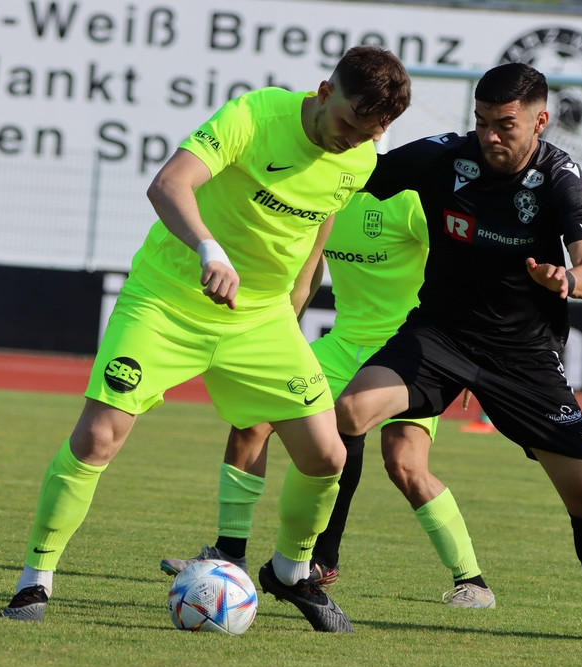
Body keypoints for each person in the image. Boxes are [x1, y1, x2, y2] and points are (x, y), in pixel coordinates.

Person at [0, 46, 412, 634]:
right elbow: (168, 184)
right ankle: (35, 578)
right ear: (325, 92)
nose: (352, 142)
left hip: (261, 319)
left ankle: (292, 571)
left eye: (369, 134)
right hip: (167, 299)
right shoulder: (255, 115)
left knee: (328, 456)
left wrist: (293, 312)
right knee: (97, 437)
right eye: (349, 124)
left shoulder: (360, 156)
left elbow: (319, 230)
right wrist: (208, 250)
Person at [335, 62, 582, 644]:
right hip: (441, 335)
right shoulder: (444, 157)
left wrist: (565, 278)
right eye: (481, 122)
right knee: (351, 410)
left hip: (522, 354)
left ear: (540, 121)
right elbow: (353, 175)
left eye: (505, 124)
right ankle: (320, 564)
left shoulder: (560, 176)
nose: (490, 136)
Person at [160, 190, 496, 609]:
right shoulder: (329, 195)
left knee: (405, 465)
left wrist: (463, 353)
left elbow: (464, 266)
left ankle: (472, 581)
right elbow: (308, 268)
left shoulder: (410, 200)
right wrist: (277, 338)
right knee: (253, 418)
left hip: (410, 350)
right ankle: (229, 554)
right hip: (342, 345)